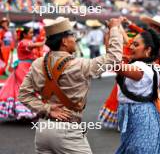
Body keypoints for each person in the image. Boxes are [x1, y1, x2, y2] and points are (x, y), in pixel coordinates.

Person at [18, 17, 123, 154]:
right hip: (68, 131)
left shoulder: (38, 63)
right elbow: (114, 57)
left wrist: (47, 108)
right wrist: (114, 28)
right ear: (64, 41)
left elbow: (23, 94)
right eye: (72, 35)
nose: (75, 38)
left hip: (43, 128)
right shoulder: (80, 64)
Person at [113, 28, 160, 154]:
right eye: (132, 43)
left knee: (140, 150)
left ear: (148, 50)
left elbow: (114, 65)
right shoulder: (146, 65)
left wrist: (115, 31)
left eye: (136, 44)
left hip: (140, 114)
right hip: (136, 112)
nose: (131, 46)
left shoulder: (142, 68)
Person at [0, 26, 45, 119]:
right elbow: (33, 46)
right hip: (23, 68)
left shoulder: (28, 42)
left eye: (32, 33)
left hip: (27, 67)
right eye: (30, 33)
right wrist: (45, 41)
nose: (32, 35)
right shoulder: (24, 43)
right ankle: (24, 111)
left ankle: (27, 111)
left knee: (26, 88)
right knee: (26, 88)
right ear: (24, 34)